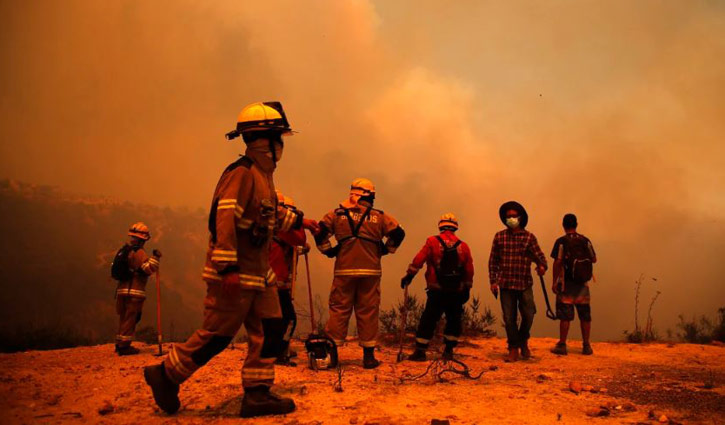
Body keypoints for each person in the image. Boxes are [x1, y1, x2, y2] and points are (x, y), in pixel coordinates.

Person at [144, 101, 311, 418]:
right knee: (217, 336)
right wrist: (227, 267)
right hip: (236, 274)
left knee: (272, 328)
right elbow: (224, 220)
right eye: (280, 139)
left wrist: (307, 223)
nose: (281, 147)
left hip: (260, 275)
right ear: (266, 140)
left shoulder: (263, 176)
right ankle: (165, 375)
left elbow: (268, 215)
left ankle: (257, 394)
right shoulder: (241, 174)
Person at [314, 178, 405, 368]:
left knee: (339, 310)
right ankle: (369, 357)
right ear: (369, 196)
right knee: (368, 311)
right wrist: (386, 250)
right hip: (370, 272)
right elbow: (399, 234)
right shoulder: (379, 216)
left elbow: (319, 231)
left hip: (344, 271)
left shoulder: (337, 214)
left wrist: (328, 250)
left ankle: (332, 356)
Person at [401, 213, 474, 361]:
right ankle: (448, 351)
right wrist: (467, 287)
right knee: (454, 319)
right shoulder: (463, 246)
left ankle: (420, 351)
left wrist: (409, 275)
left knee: (429, 318)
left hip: (437, 289)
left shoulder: (432, 242)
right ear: (456, 227)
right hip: (456, 291)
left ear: (440, 225)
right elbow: (469, 269)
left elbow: (419, 259)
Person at [488, 201, 547, 362]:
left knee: (529, 314)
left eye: (514, 216)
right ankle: (513, 348)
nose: (511, 219)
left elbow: (541, 259)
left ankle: (523, 340)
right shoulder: (499, 237)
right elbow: (493, 261)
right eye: (508, 217)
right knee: (509, 318)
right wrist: (493, 281)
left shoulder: (529, 237)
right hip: (506, 284)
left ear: (520, 217)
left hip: (524, 283)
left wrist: (542, 267)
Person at [270, 191, 315, 365]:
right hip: (275, 284)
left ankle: (276, 350)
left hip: (272, 283)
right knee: (288, 319)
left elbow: (296, 245)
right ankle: (279, 352)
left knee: (273, 320)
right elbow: (300, 238)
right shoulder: (281, 228)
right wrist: (298, 222)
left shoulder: (270, 228)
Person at [550, 213, 597, 356]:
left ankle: (562, 344)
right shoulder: (585, 240)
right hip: (583, 284)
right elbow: (594, 259)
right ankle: (586, 346)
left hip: (566, 284)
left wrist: (554, 281)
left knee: (565, 316)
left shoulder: (561, 242)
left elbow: (557, 262)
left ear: (563, 225)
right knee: (585, 315)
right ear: (576, 224)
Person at [113, 222, 161, 356]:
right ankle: (124, 347)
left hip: (122, 291)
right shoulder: (138, 252)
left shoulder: (125, 250)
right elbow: (148, 269)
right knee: (131, 318)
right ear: (143, 239)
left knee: (123, 318)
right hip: (134, 292)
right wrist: (156, 258)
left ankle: (119, 343)